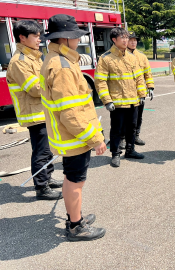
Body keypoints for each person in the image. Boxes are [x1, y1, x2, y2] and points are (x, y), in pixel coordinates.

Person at [41, 14, 107, 241]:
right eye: (75, 37)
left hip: (70, 135)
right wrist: (95, 139)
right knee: (75, 181)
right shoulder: (63, 67)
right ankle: (75, 226)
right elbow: (71, 114)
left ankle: (74, 215)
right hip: (74, 137)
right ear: (65, 38)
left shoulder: (59, 60)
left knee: (73, 178)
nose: (78, 41)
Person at [7, 20, 63, 200]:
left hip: (43, 111)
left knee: (48, 149)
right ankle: (42, 187)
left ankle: (47, 177)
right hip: (35, 114)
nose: (39, 40)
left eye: (40, 36)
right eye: (35, 37)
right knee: (41, 151)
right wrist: (57, 85)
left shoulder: (33, 57)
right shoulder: (19, 62)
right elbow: (35, 88)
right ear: (22, 38)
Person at [95, 28, 147, 167]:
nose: (126, 40)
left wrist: (142, 94)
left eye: (127, 37)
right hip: (117, 103)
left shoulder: (132, 57)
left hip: (133, 101)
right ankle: (115, 154)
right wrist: (107, 100)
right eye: (122, 38)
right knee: (117, 129)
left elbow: (139, 78)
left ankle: (130, 150)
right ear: (114, 40)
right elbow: (100, 81)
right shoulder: (106, 58)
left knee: (132, 127)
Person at [118, 31, 154, 147]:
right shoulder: (121, 55)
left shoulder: (142, 56)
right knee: (125, 118)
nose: (133, 42)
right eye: (131, 40)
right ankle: (122, 138)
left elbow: (147, 73)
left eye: (135, 40)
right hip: (126, 93)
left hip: (140, 92)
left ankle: (135, 136)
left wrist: (150, 87)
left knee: (138, 116)